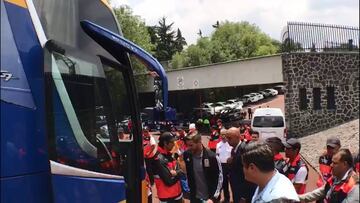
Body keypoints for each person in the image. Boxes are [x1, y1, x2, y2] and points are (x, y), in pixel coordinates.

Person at [183, 132, 223, 203]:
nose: (188, 148)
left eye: (191, 145)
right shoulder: (187, 155)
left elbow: (220, 178)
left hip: (209, 199)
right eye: (187, 145)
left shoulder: (212, 157)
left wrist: (213, 198)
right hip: (195, 197)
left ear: (199, 142)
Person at [226, 127, 256, 203]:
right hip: (236, 189)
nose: (227, 141)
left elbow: (249, 175)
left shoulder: (244, 149)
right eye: (227, 138)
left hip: (243, 192)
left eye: (229, 138)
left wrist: (244, 196)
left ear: (237, 137)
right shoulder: (234, 149)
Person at [153, 132, 183, 203]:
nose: (174, 144)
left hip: (177, 194)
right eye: (172, 142)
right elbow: (169, 182)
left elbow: (178, 168)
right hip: (167, 198)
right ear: (165, 143)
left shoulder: (170, 154)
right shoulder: (158, 158)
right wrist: (181, 172)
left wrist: (177, 172)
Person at [216, 129, 233, 203]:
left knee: (232, 183)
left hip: (230, 166)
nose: (223, 136)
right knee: (223, 183)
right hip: (221, 166)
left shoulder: (231, 144)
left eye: (225, 134)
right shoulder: (218, 145)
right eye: (221, 134)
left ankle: (232, 198)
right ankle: (225, 199)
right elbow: (217, 155)